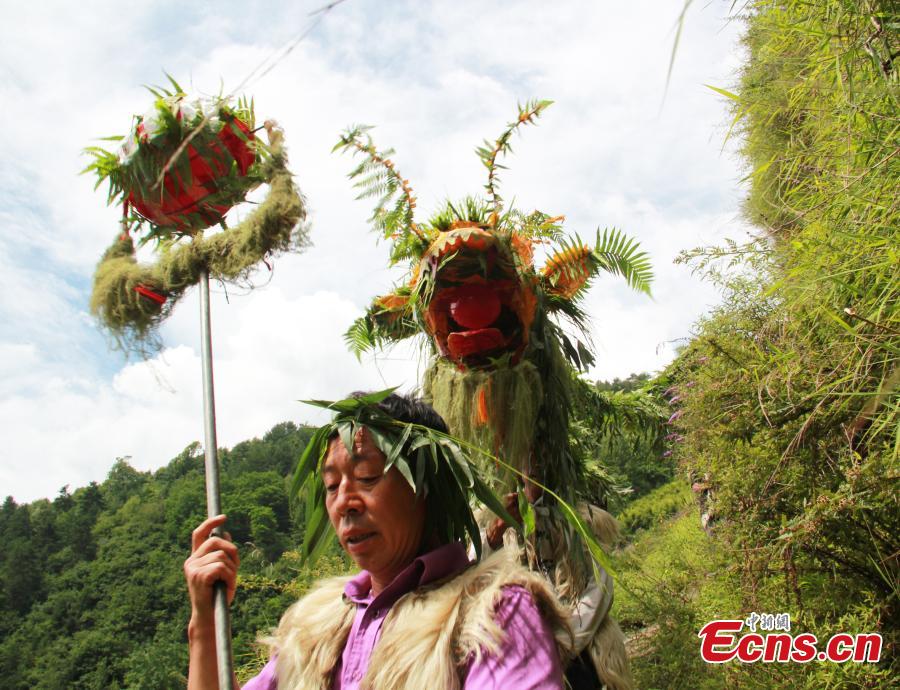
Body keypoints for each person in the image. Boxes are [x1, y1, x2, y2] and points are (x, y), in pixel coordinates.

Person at [184, 392, 573, 689]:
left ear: (430, 486)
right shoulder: (315, 628)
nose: (343, 504)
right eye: (331, 486)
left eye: (367, 476)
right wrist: (204, 621)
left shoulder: (492, 612)